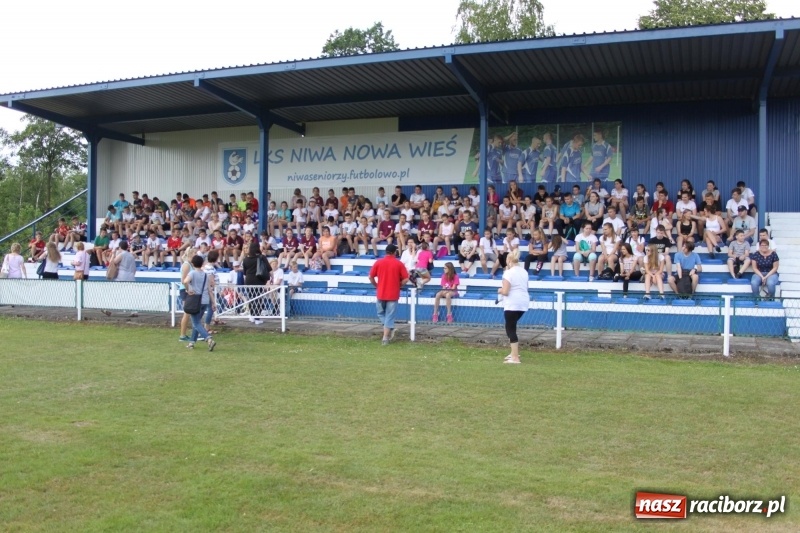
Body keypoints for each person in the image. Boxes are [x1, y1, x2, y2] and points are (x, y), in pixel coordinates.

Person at [368, 244, 409, 346]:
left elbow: (370, 277)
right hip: (393, 293)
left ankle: (386, 335)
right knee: (389, 316)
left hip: (381, 292)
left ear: (386, 252)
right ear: (395, 252)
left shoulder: (379, 262)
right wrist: (399, 285)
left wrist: (376, 285)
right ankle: (386, 336)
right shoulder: (398, 264)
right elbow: (406, 278)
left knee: (380, 313)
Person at [497, 250, 529, 364]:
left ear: (509, 261)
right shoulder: (524, 271)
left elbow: (505, 291)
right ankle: (513, 353)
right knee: (512, 326)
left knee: (510, 329)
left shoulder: (508, 273)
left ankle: (515, 357)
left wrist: (499, 290)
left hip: (512, 303)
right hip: (523, 302)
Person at [182, 255, 217, 351]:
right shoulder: (205, 275)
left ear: (192, 264)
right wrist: (214, 302)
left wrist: (188, 289)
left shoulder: (192, 273)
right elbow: (209, 290)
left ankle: (208, 338)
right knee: (196, 322)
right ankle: (192, 343)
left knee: (196, 322)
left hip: (195, 301)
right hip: (205, 301)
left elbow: (185, 281)